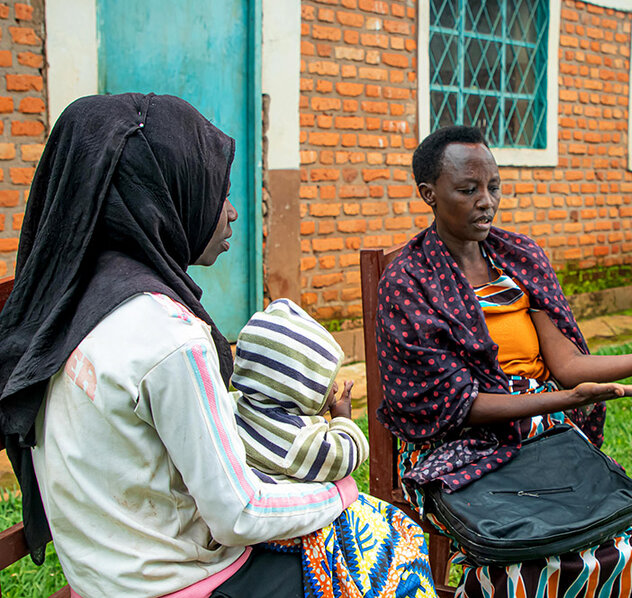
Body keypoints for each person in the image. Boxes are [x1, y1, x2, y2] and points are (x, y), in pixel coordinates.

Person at [0, 93, 435, 598]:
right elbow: (239, 514)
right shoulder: (169, 335)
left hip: (100, 576)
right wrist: (339, 493)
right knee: (388, 537)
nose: (230, 213)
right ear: (165, 196)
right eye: (215, 191)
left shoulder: (67, 298)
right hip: (181, 583)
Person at [375, 125, 632, 597]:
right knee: (517, 568)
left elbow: (568, 365)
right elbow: (458, 407)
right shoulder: (409, 281)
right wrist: (566, 400)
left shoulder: (519, 257)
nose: (485, 201)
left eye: (494, 187)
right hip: (452, 448)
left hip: (542, 434)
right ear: (429, 193)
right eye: (468, 190)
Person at [232, 297, 369, 486]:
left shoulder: (234, 407)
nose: (336, 388)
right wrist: (343, 420)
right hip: (301, 511)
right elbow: (346, 455)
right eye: (326, 383)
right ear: (296, 389)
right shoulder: (297, 441)